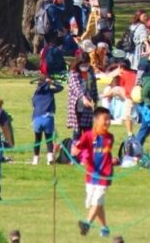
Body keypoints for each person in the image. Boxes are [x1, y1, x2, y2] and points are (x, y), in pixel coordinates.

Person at [72, 106, 115, 237]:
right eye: (105, 119)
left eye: (109, 119)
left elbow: (105, 154)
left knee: (97, 201)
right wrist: (76, 150)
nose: (108, 122)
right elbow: (76, 148)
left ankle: (87, 224)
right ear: (96, 121)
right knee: (94, 204)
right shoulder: (88, 136)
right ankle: (104, 228)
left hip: (105, 175)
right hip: (91, 175)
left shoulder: (110, 137)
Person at [31, 74, 64, 165]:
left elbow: (33, 104)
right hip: (48, 118)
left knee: (37, 140)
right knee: (49, 139)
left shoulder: (36, 94)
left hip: (37, 118)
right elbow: (61, 87)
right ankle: (50, 158)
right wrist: (52, 82)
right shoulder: (50, 92)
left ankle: (35, 159)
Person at [67, 54, 99, 140]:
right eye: (83, 64)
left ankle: (87, 149)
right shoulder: (73, 73)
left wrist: (95, 100)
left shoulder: (90, 71)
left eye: (87, 64)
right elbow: (76, 88)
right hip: (77, 104)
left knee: (88, 128)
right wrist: (83, 98)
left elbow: (93, 86)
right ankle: (75, 150)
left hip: (88, 104)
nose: (85, 66)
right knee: (78, 130)